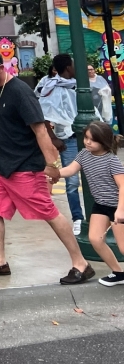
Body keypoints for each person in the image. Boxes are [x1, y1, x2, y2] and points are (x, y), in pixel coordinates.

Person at [0, 48, 94, 285]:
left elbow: (40, 130)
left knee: (48, 211)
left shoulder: (20, 92)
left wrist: (51, 165)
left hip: (24, 164)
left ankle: (81, 263)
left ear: (0, 67)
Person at [58, 121, 124, 287]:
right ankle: (118, 272)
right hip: (101, 204)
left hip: (118, 206)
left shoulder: (111, 161)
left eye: (92, 140)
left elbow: (123, 186)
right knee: (95, 239)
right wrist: (53, 173)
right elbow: (70, 170)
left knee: (123, 247)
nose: (87, 142)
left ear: (103, 142)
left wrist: (120, 211)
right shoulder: (83, 155)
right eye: (86, 137)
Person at [37, 53, 85, 235]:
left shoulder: (79, 84)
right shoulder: (51, 87)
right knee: (72, 182)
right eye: (73, 65)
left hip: (87, 136)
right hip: (67, 138)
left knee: (94, 177)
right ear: (68, 68)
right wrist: (54, 138)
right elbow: (43, 115)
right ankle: (78, 218)